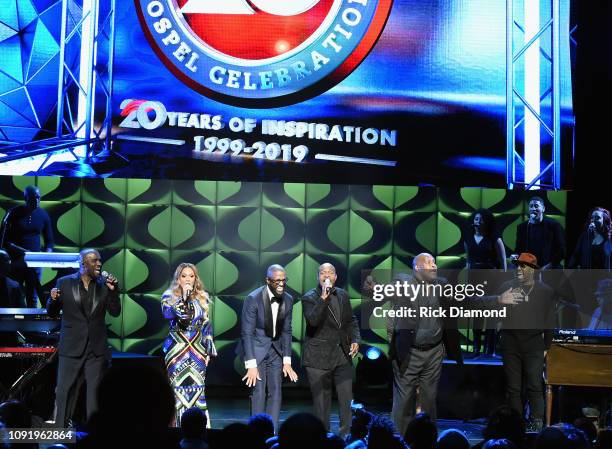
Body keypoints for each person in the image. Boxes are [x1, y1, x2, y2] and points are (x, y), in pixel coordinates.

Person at [46, 248, 120, 427]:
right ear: (82, 263)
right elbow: (52, 312)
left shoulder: (105, 284)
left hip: (96, 348)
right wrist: (53, 300)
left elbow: (115, 312)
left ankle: (94, 434)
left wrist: (113, 292)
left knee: (94, 393)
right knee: (64, 390)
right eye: (94, 260)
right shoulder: (64, 283)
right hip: (71, 345)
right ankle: (59, 432)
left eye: (100, 260)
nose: (99, 264)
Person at [498, 253, 556, 432]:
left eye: (523, 266)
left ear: (532, 270)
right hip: (511, 343)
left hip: (534, 344)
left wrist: (547, 346)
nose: (519, 269)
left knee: (534, 385)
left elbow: (549, 321)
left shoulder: (545, 291)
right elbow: (498, 312)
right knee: (513, 387)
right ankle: (516, 422)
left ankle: (537, 421)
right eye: (517, 266)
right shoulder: (507, 287)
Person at [301, 263, 360, 437]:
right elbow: (313, 321)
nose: (326, 275)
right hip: (318, 358)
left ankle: (345, 437)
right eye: (323, 273)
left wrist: (356, 339)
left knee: (346, 401)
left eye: (330, 272)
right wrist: (323, 298)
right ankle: (322, 438)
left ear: (335, 277)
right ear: (318, 277)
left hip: (341, 355)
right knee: (321, 404)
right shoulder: (309, 297)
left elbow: (351, 320)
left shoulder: (343, 295)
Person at [238, 264, 298, 430]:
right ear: (268, 280)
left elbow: (287, 330)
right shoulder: (253, 298)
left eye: (283, 281)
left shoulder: (288, 299)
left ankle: (271, 431)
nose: (281, 284)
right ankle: (256, 433)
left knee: (276, 391)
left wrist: (287, 360)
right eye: (277, 281)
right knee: (258, 392)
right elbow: (247, 333)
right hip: (256, 349)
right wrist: (251, 364)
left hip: (276, 350)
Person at [162, 263, 216, 426]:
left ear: (195, 278)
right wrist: (184, 297)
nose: (187, 279)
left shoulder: (203, 296)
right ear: (178, 278)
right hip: (176, 349)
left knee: (198, 389)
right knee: (177, 390)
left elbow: (207, 325)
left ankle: (199, 430)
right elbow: (172, 315)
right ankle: (176, 429)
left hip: (198, 349)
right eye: (184, 275)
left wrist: (208, 351)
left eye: (191, 276)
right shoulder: (168, 296)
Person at [0, 185, 54, 306]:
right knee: (15, 293)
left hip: (35, 263)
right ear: (26, 198)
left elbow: (49, 241)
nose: (37, 200)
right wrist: (23, 251)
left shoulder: (43, 215)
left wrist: (46, 257)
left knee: (32, 297)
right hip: (16, 261)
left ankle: (31, 323)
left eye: (39, 197)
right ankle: (13, 323)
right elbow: (5, 241)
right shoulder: (13, 213)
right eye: (33, 197)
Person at [464, 208, 507, 355]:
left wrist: (503, 278)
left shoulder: (494, 238)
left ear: (487, 221)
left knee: (491, 312)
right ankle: (476, 347)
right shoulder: (468, 238)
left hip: (491, 276)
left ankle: (490, 347)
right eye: (476, 218)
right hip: (475, 277)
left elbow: (502, 260)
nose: (478, 221)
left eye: (481, 219)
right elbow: (468, 260)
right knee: (476, 312)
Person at [515, 196, 565, 269]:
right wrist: (516, 257)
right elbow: (518, 249)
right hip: (529, 269)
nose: (533, 209)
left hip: (549, 269)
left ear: (543, 209)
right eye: (531, 206)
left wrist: (550, 265)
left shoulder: (554, 225)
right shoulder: (522, 227)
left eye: (536, 206)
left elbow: (562, 250)